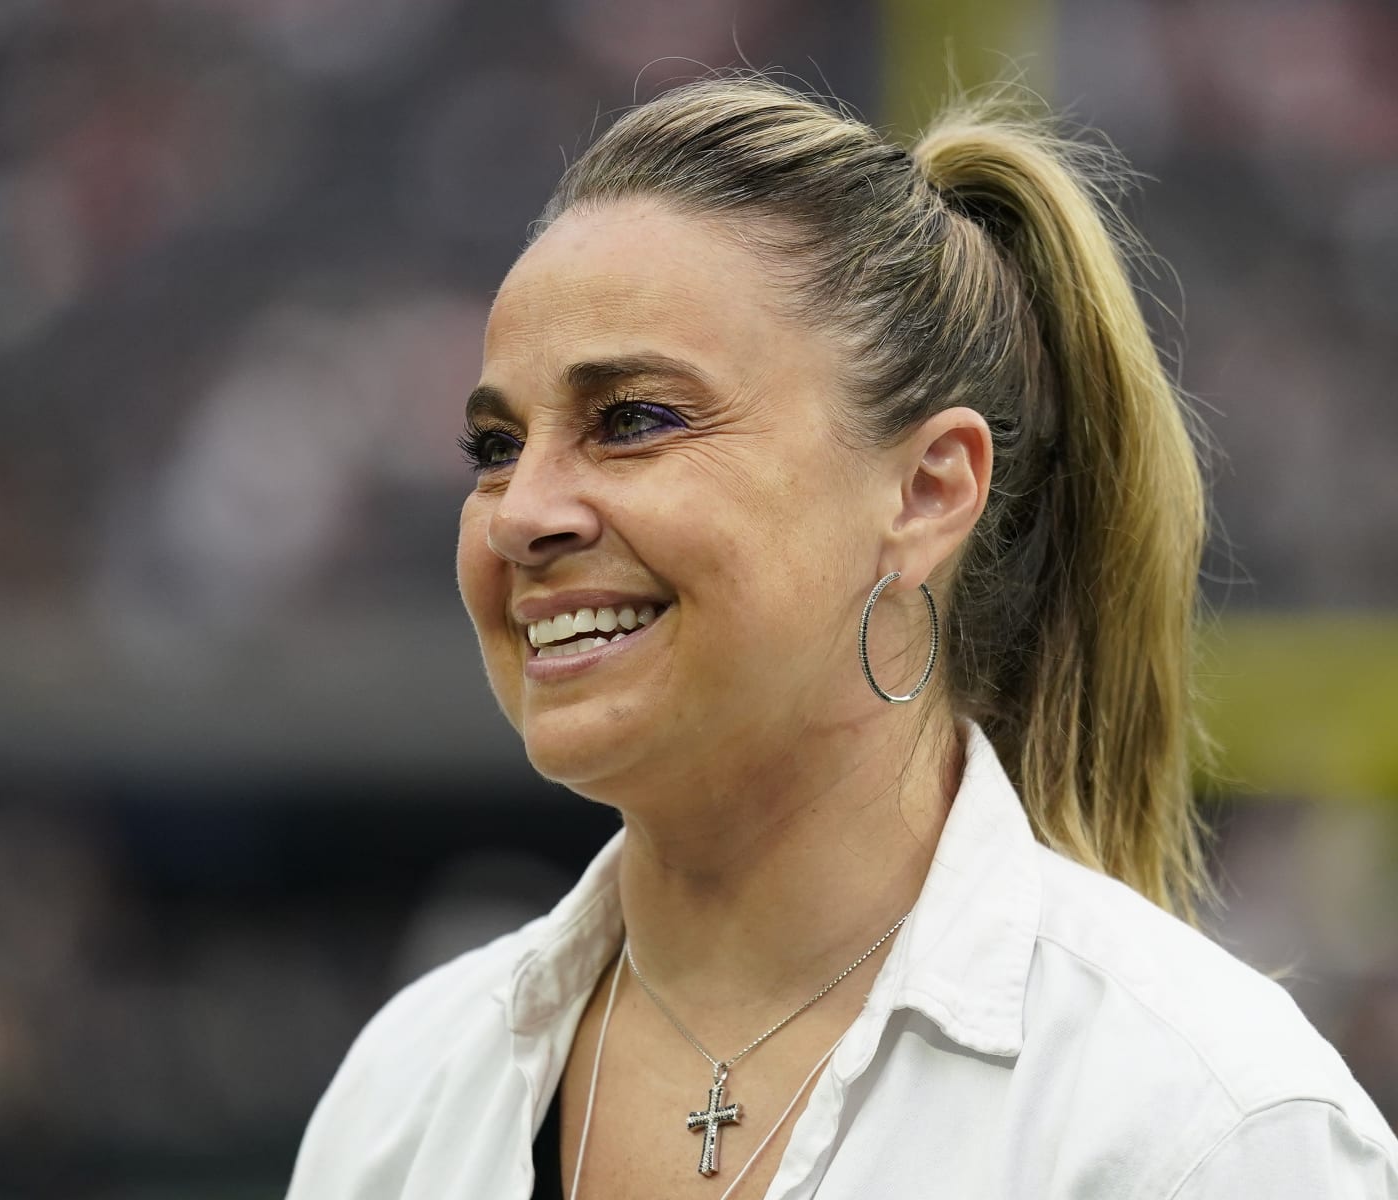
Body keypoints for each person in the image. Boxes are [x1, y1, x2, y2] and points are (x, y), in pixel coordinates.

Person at [285, 76, 1398, 1199]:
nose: (522, 513)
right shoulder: (407, 1092)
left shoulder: (1206, 1128)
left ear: (925, 491)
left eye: (633, 421)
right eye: (494, 445)